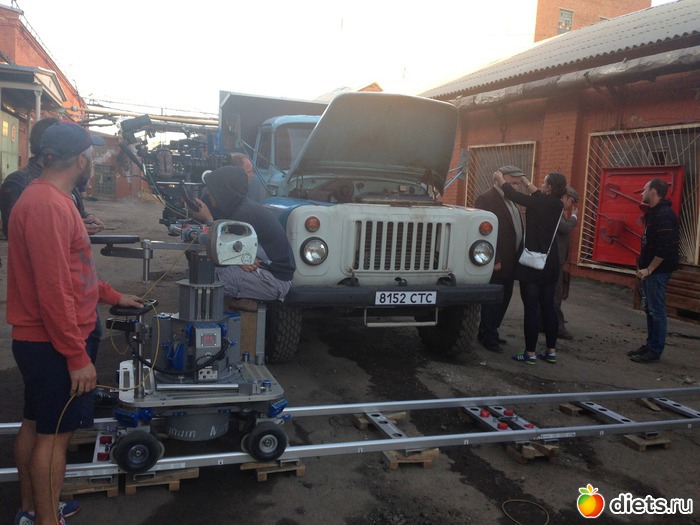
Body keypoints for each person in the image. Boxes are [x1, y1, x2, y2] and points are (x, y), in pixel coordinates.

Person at [7, 121, 143, 525]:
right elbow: (52, 290)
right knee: (54, 437)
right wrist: (75, 355)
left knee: (36, 424)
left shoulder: (54, 200)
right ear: (81, 160)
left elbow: (71, 273)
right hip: (52, 343)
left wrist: (113, 296)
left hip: (44, 341)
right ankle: (47, 519)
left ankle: (33, 509)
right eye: (91, 155)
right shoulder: (48, 205)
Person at [188, 165, 295, 301]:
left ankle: (214, 315)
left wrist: (208, 219)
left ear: (223, 191)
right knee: (203, 270)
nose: (208, 192)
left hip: (273, 280)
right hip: (265, 272)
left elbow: (219, 250)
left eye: (212, 188)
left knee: (206, 275)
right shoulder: (239, 207)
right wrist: (237, 260)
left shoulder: (243, 214)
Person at [493, 170, 567, 365]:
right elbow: (538, 194)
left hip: (531, 264)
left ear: (549, 187)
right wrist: (525, 180)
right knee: (548, 307)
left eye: (544, 182)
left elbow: (512, 194)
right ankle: (551, 351)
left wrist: (500, 179)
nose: (541, 185)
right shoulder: (558, 204)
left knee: (531, 309)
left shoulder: (537, 202)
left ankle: (530, 353)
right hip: (550, 263)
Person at [627, 178, 680, 364]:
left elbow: (665, 248)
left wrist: (649, 269)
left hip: (658, 272)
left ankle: (655, 351)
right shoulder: (654, 213)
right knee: (650, 309)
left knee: (657, 311)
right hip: (649, 271)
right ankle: (650, 345)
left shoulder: (664, 215)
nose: (642, 193)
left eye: (645, 189)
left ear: (654, 192)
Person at [474, 165, 524, 352]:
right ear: (500, 179)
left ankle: (488, 330)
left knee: (505, 298)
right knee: (493, 301)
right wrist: (494, 258)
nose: (516, 187)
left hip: (512, 260)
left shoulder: (511, 200)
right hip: (498, 262)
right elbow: (482, 234)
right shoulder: (486, 199)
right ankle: (489, 337)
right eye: (513, 183)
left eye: (518, 184)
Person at [553, 186, 579, 340]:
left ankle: (545, 322)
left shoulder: (558, 210)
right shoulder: (556, 210)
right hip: (555, 259)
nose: (572, 206)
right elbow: (564, 228)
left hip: (556, 258)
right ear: (566, 198)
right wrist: (574, 217)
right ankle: (558, 327)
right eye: (572, 201)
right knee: (555, 294)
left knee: (552, 293)